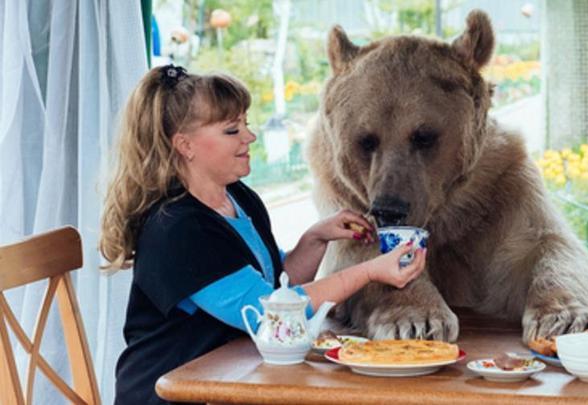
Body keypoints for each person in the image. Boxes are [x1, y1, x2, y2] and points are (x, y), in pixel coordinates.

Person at [99, 65, 426, 405]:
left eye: (246, 124)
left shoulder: (239, 197)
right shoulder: (178, 230)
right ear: (185, 145)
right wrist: (370, 270)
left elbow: (276, 287)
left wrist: (317, 238)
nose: (249, 137)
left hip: (230, 378)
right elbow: (271, 316)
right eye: (231, 130)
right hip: (174, 393)